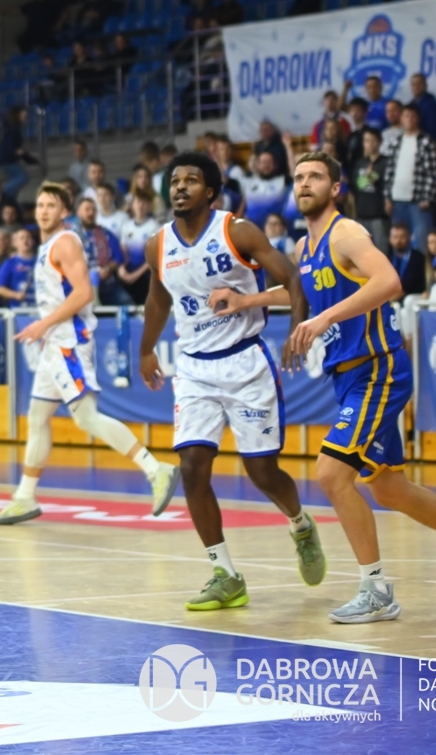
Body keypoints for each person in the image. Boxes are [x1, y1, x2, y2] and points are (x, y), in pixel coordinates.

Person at [273, 153, 436, 622]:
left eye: (315, 176)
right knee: (388, 488)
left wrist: (323, 319)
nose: (304, 183)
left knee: (331, 474)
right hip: (348, 377)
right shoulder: (305, 247)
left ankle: (376, 589)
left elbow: (389, 280)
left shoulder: (346, 233)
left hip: (378, 369)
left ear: (335, 188)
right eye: (299, 177)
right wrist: (247, 300)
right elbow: (303, 291)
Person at [137, 151, 325, 610]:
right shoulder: (157, 245)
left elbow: (292, 279)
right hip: (194, 369)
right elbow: (158, 300)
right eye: (174, 181)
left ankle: (301, 524)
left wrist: (297, 330)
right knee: (191, 469)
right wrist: (145, 349)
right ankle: (225, 573)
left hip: (244, 362)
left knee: (262, 473)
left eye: (190, 180)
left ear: (211, 192)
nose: (180, 187)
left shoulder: (237, 231)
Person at [0, 183, 178, 525]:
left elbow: (83, 293)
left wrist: (43, 325)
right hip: (54, 344)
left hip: (68, 342)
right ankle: (25, 497)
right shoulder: (48, 246)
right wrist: (46, 330)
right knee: (37, 417)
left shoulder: (65, 242)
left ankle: (156, 469)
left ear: (64, 212)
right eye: (40, 205)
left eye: (51, 205)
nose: (43, 210)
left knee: (86, 418)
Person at [385, 105, 436, 252]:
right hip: (397, 201)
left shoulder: (426, 141)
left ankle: (420, 268)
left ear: (418, 119)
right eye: (406, 116)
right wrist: (387, 198)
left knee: (421, 244)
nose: (409, 119)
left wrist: (427, 198)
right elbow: (389, 171)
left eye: (413, 116)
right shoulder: (395, 142)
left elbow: (431, 172)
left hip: (418, 201)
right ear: (401, 118)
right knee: (399, 244)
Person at [117, 193, 161, 305]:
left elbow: (153, 257)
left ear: (149, 206)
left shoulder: (154, 227)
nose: (140, 206)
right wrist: (121, 269)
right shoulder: (126, 226)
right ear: (132, 205)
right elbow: (123, 251)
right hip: (129, 270)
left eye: (144, 203)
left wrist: (136, 275)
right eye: (137, 202)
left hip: (145, 273)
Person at [351, 127, 391, 251]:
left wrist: (370, 177)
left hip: (379, 215)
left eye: (373, 140)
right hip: (362, 214)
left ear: (379, 142)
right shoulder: (360, 163)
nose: (370, 144)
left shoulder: (386, 162)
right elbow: (357, 186)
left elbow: (386, 184)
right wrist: (368, 178)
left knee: (382, 250)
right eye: (367, 141)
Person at [0, 106, 37, 203]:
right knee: (23, 177)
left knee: (15, 180)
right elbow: (14, 148)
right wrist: (29, 159)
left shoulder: (12, 128)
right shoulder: (14, 130)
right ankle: (1, 192)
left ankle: (9, 200)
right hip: (7, 158)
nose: (26, 117)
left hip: (4, 157)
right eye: (23, 114)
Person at [0, 228, 37, 307]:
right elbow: (0, 289)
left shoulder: (41, 262)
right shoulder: (9, 263)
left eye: (28, 237)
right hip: (18, 310)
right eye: (22, 238)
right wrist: (16, 295)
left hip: (40, 308)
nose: (25, 240)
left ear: (33, 241)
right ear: (15, 243)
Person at [407, 73, 436, 143]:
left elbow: (432, 130)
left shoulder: (431, 105)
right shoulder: (411, 104)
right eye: (413, 84)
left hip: (426, 143)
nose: (416, 87)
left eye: (419, 84)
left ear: (425, 85)